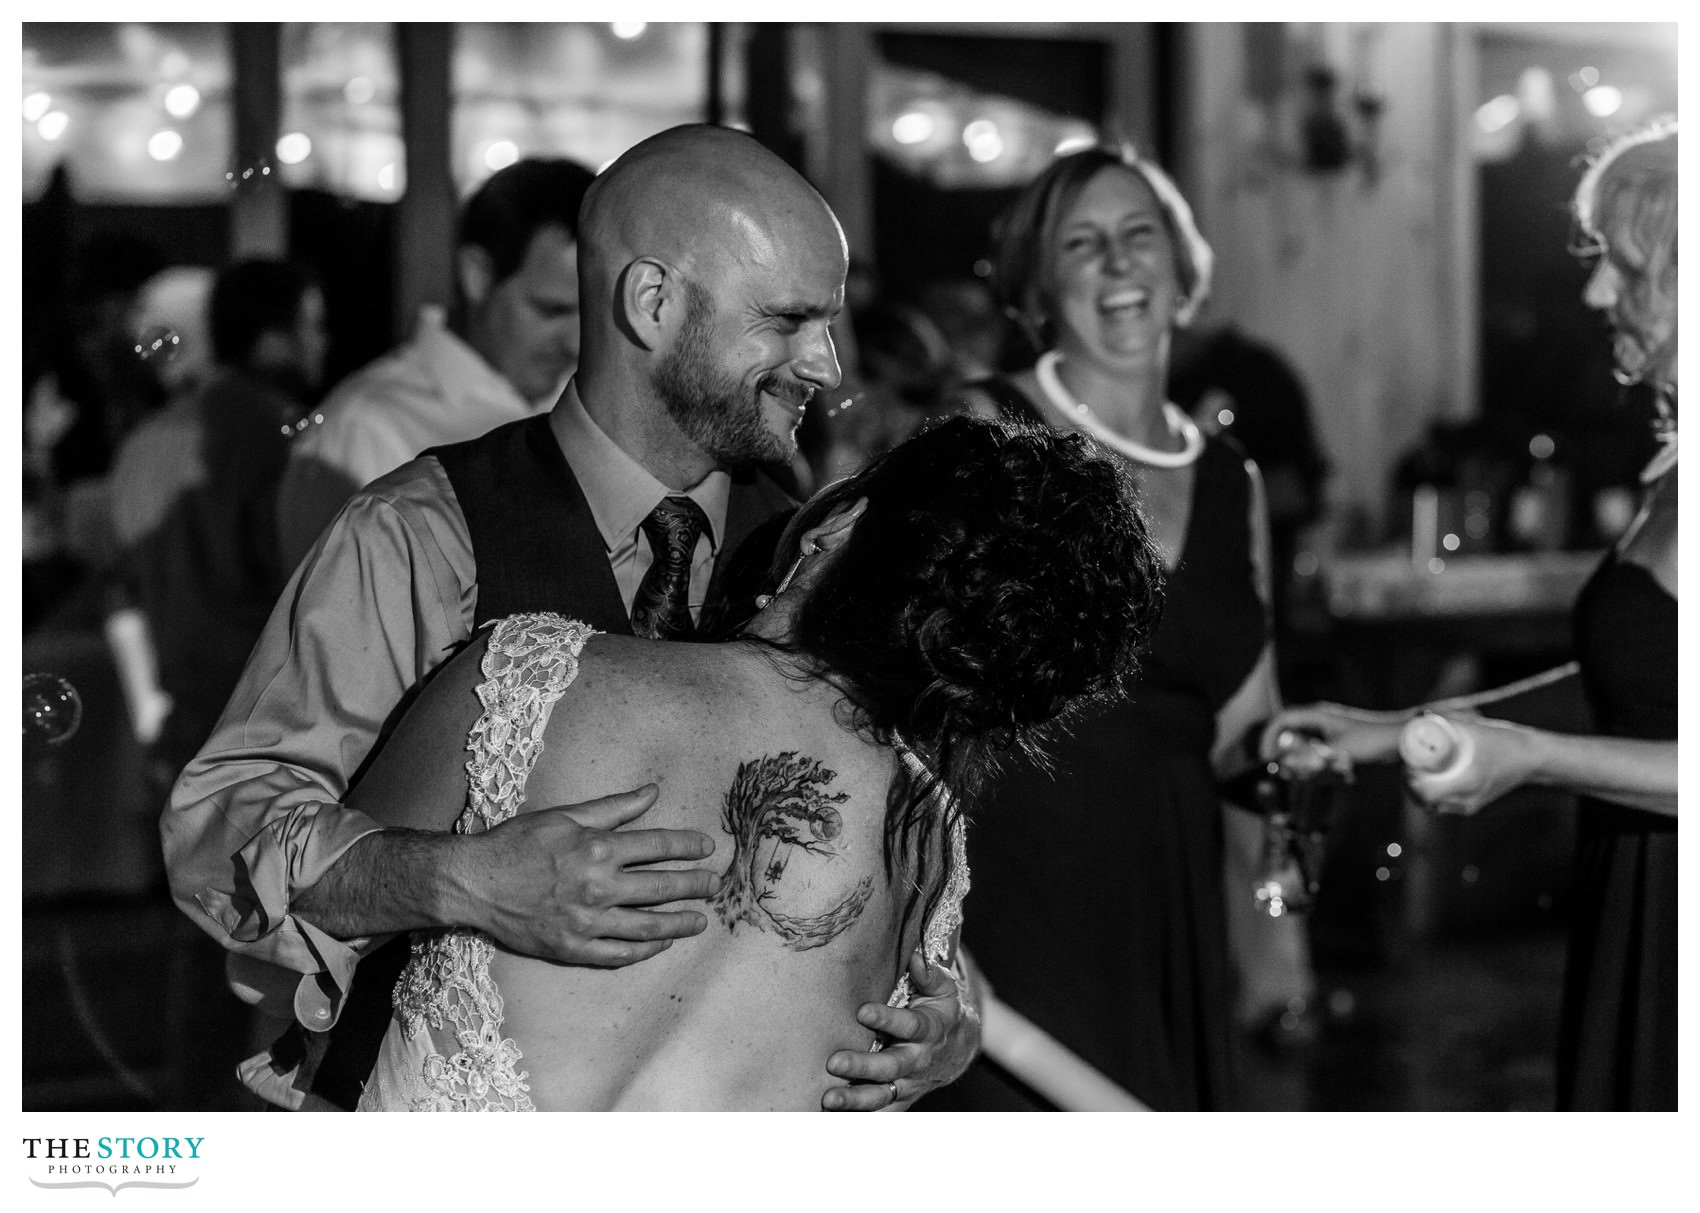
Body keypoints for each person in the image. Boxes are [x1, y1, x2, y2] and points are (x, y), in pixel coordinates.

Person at [162, 123, 979, 1111]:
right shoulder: (420, 534)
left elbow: (883, 841)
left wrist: (941, 1012)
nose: (826, 365)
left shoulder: (814, 560)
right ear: (651, 303)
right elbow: (223, 829)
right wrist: (454, 880)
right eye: (790, 320)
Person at [352, 416, 1160, 1110]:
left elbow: (296, 892)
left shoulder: (535, 679)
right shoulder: (926, 848)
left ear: (839, 527)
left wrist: (452, 875)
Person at [1266, 117, 1677, 1111]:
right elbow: (1643, 685)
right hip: (1640, 886)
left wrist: (1528, 761)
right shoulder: (1672, 462)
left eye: (1621, 265)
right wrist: (1385, 731)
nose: (1589, 292)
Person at [917, 144, 1282, 1112]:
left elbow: (1247, 723)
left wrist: (1274, 932)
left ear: (1181, 264)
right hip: (1015, 880)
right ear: (1040, 286)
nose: (1118, 265)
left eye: (1138, 236)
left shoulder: (1229, 476)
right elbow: (899, 684)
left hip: (1170, 892)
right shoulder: (986, 430)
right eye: (1083, 245)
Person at [275, 157, 595, 571]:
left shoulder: (589, 405)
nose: (575, 341)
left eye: (590, 313)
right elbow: (332, 626)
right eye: (551, 310)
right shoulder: (366, 426)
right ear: (477, 273)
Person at [110, 258, 328, 772]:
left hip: (182, 731)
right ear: (274, 338)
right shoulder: (282, 435)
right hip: (268, 733)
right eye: (314, 325)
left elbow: (127, 593)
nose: (326, 341)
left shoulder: (144, 443)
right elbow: (310, 582)